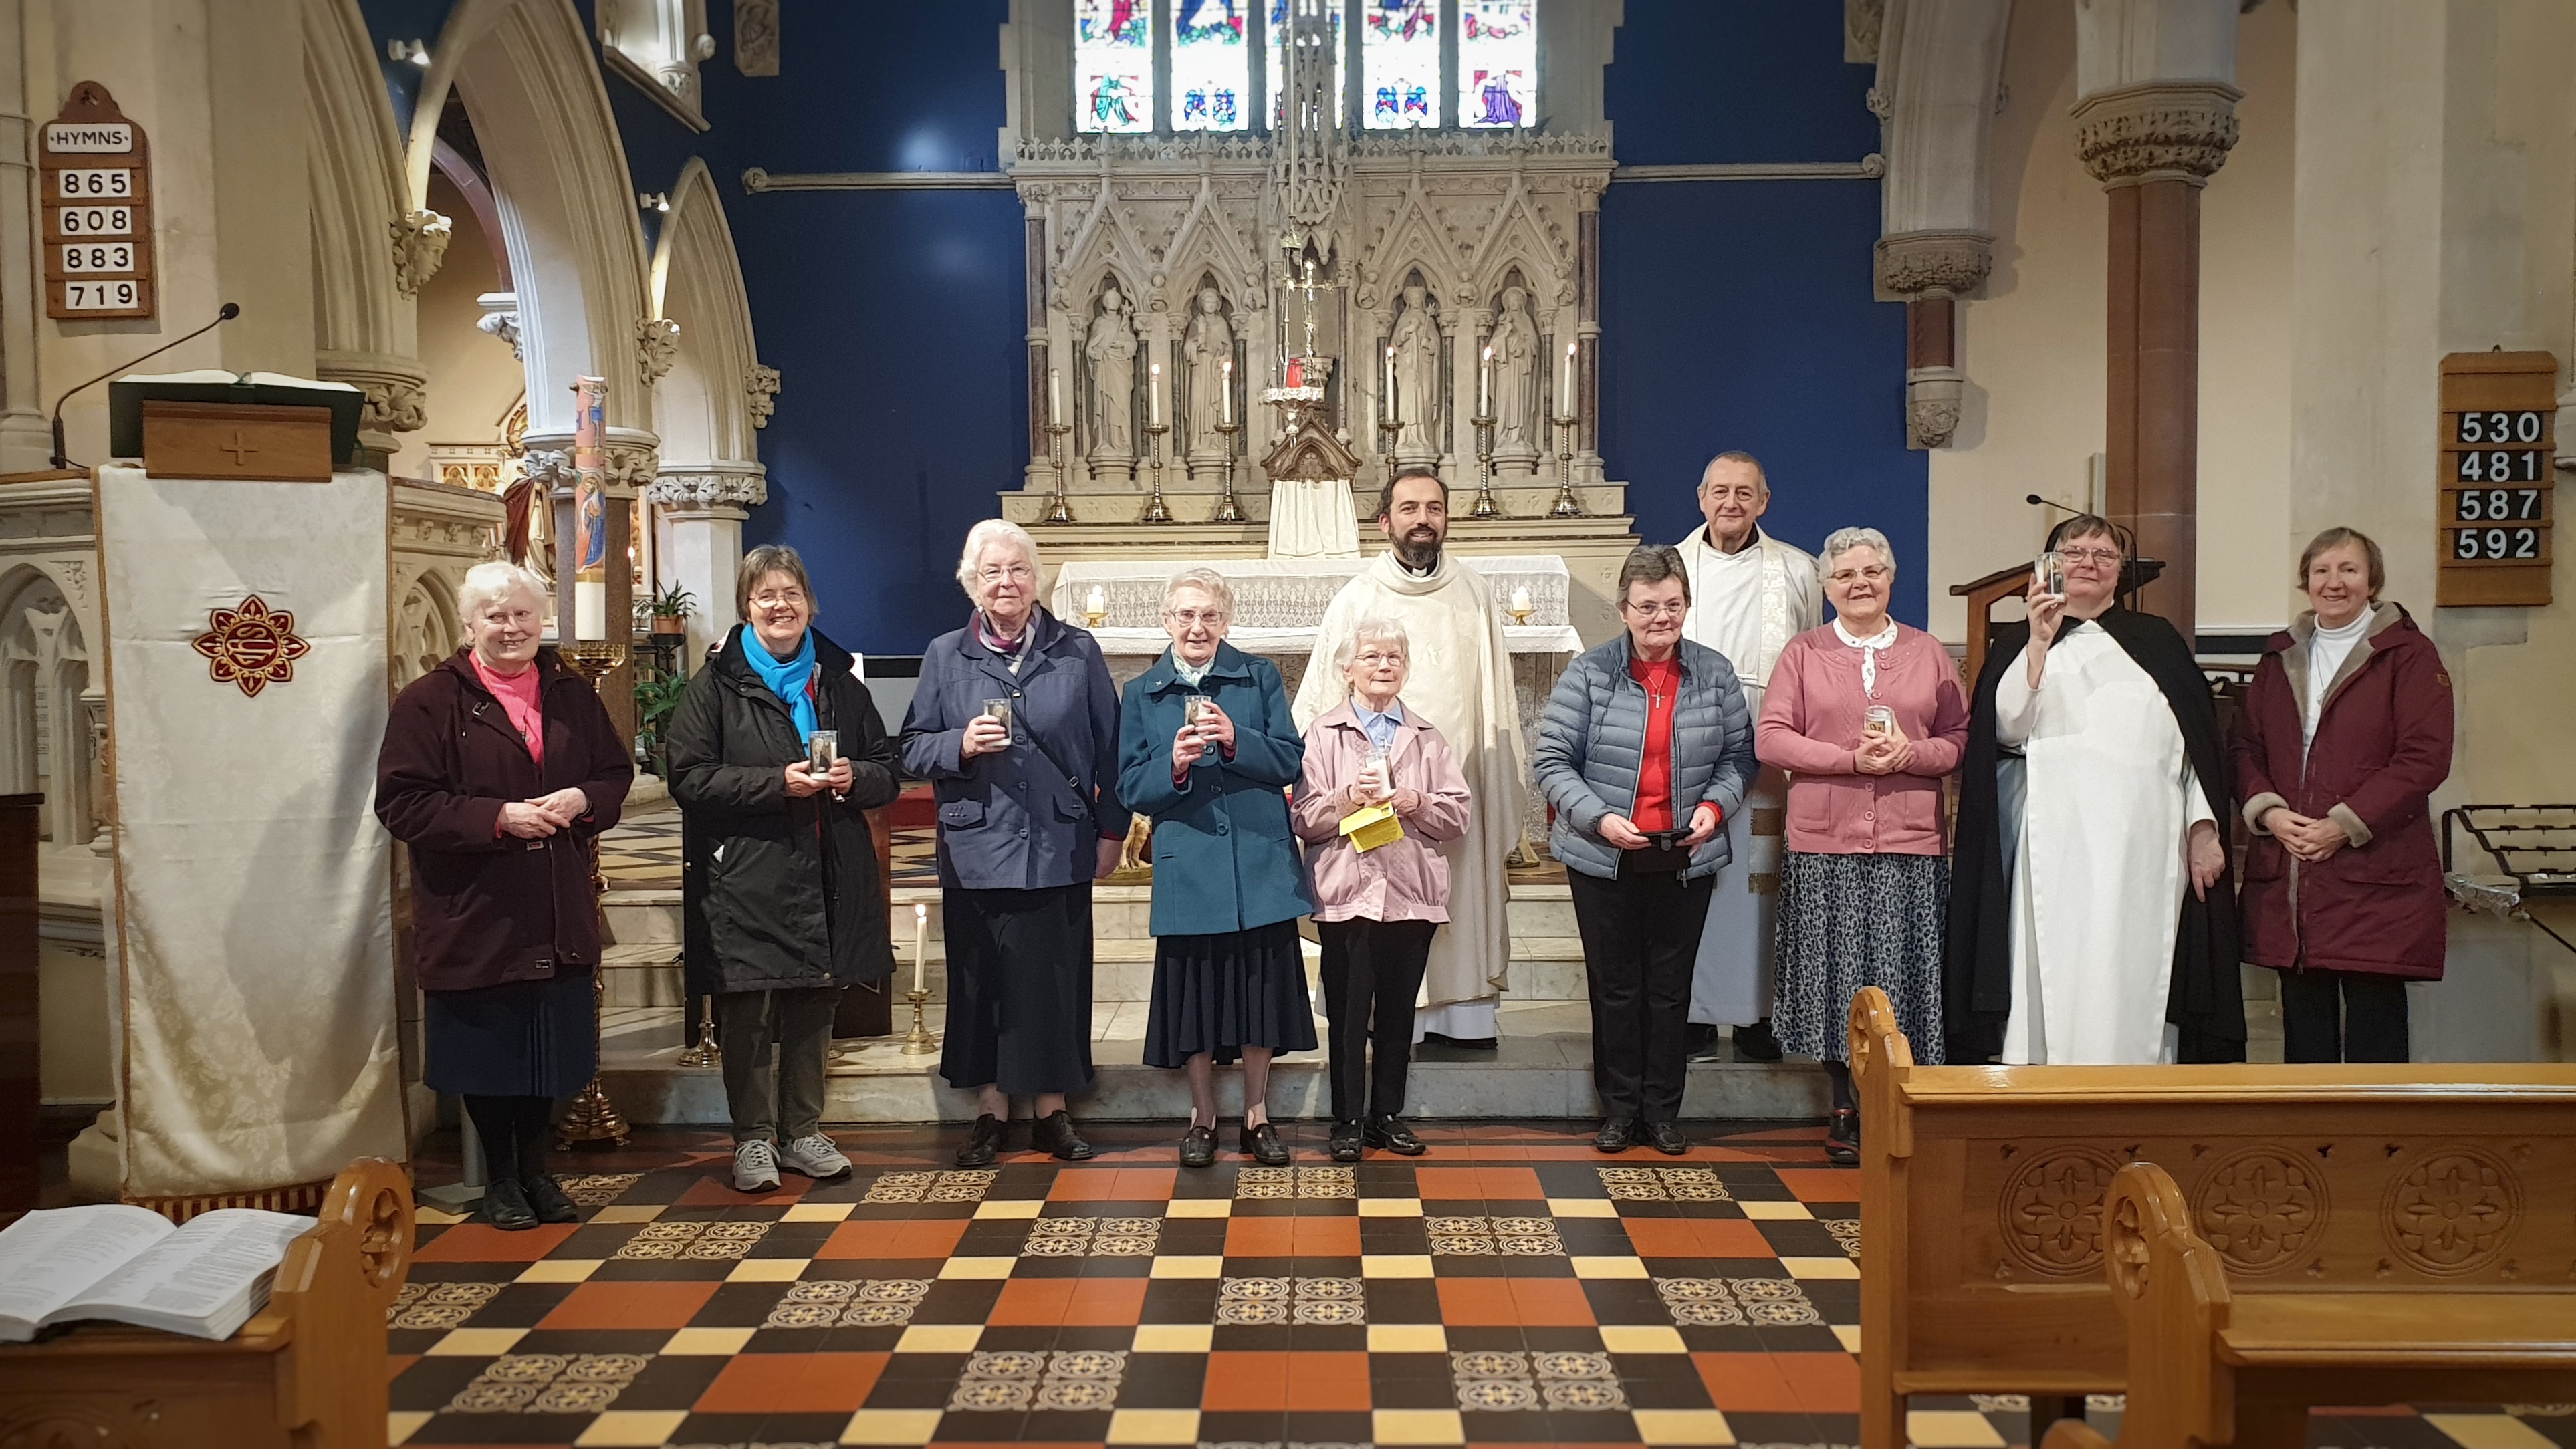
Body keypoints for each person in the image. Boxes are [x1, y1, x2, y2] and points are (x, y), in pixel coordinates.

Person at [375, 561, 632, 1230]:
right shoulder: (430, 701)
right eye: (495, 614)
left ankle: (539, 1172)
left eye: (521, 613)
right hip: (478, 908)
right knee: (493, 1053)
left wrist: (584, 798)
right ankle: (500, 1178)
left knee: (548, 1049)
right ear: (469, 624)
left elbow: (613, 772)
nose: (511, 627)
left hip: (554, 906)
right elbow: (403, 803)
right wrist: (497, 816)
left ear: (541, 619)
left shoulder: (570, 693)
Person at [1946, 515, 2245, 1065]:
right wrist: (2037, 642)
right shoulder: (2020, 640)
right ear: (2049, 565)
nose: (2088, 562)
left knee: (2136, 960)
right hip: (2053, 841)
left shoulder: (2157, 642)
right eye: (2074, 552)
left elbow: (2198, 751)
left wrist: (2203, 828)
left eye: (2102, 554)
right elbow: (2005, 730)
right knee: (2058, 962)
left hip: (2146, 843)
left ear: (2120, 572)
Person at [665, 545, 901, 1192]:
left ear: (809, 604)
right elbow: (686, 776)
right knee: (748, 1007)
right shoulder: (714, 687)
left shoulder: (840, 684)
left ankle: (802, 1131)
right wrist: (776, 784)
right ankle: (751, 1140)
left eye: (791, 594)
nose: (779, 605)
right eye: (766, 595)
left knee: (812, 1003)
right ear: (746, 606)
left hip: (827, 868)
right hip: (749, 873)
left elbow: (888, 764)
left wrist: (858, 776)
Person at [902, 520, 1129, 1166]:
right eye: (992, 572)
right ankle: (989, 1114)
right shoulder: (946, 654)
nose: (1006, 582)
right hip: (978, 846)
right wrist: (961, 745)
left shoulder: (1075, 649)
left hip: (1059, 841)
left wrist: (1111, 831)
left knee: (1054, 980)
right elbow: (913, 746)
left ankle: (1052, 1112)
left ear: (1037, 578)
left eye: (1018, 569)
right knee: (982, 982)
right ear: (972, 583)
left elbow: (1109, 750)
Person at [1755, 528, 1968, 1164]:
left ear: (1891, 578)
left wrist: (1915, 752)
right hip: (1826, 841)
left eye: (1872, 571)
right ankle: (1842, 1104)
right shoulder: (1804, 652)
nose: (1859, 584)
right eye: (1845, 575)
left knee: (1904, 970)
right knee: (1833, 974)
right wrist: (1848, 760)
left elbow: (1958, 735)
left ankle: (1899, 1094)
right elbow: (1771, 738)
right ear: (1825, 587)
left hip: (1910, 839)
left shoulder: (1928, 652)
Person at [1535, 545, 1756, 1156]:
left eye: (1673, 605)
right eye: (1648, 606)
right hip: (1604, 853)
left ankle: (1662, 1111)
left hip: (1684, 853)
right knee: (1614, 987)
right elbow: (1552, 762)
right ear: (1623, 609)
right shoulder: (1589, 673)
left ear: (1687, 604)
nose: (1662, 617)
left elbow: (1740, 757)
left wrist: (1714, 809)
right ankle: (1617, 1109)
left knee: (1669, 989)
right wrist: (1600, 819)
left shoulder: (1713, 672)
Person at [1295, 467, 1522, 1049]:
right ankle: (1380, 1020)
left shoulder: (1474, 593)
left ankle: (1461, 1015)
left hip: (1450, 781)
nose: (1423, 519)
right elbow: (1323, 703)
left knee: (1457, 887)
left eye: (1434, 508)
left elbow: (1493, 698)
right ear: (1385, 521)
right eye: (1409, 508)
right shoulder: (1357, 597)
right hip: (1363, 798)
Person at [1117, 568, 1317, 1168]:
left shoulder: (1257, 678)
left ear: (1226, 621)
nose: (1197, 627)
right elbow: (1130, 785)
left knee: (1259, 995)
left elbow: (1289, 759)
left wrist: (1235, 740)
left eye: (1209, 615)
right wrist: (1172, 768)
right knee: (1195, 1001)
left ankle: (1257, 1115)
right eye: (1185, 615)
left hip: (1257, 859)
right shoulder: (1141, 692)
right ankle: (1202, 1117)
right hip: (1190, 865)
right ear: (1166, 621)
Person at [2233, 527, 2454, 1063]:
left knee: (2374, 1037)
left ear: (2371, 580)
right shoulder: (2278, 657)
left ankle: (2381, 1145)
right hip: (2292, 870)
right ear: (2305, 581)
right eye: (2321, 571)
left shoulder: (2407, 655)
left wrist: (2343, 824)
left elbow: (2423, 757)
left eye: (2348, 570)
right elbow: (2244, 746)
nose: (2334, 583)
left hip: (2372, 868)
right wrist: (2271, 813)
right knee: (2304, 1041)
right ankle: (2309, 1147)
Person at [1294, 618, 1473, 1162]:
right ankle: (1347, 1117)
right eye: (1371, 656)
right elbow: (1304, 817)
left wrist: (1412, 802)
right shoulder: (1323, 735)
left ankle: (1387, 1116)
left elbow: (1458, 814)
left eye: (1394, 656)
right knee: (1349, 1013)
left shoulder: (1426, 736)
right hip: (1347, 894)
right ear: (1346, 670)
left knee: (1398, 1011)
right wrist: (1350, 797)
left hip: (1410, 893)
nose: (1383, 665)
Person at [1674, 452, 1823, 1065]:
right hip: (1686, 746)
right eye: (1720, 491)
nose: (1731, 502)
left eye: (1745, 492)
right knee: (1693, 879)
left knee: (1762, 882)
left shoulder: (1797, 569)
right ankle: (1693, 1016)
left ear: (1764, 501)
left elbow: (1812, 654)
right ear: (1700, 496)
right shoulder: (1670, 566)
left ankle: (1762, 1015)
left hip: (1769, 747)